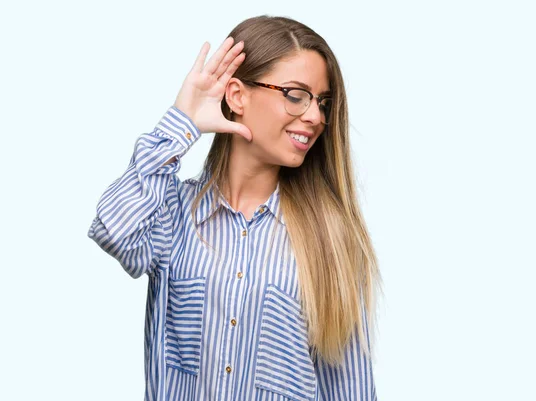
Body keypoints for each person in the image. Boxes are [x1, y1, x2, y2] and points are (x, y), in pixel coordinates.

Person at [88, 14, 382, 401]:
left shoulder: (332, 240)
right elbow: (113, 230)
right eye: (296, 94)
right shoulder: (174, 213)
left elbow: (349, 389)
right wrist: (182, 123)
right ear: (237, 95)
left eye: (322, 102)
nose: (314, 116)